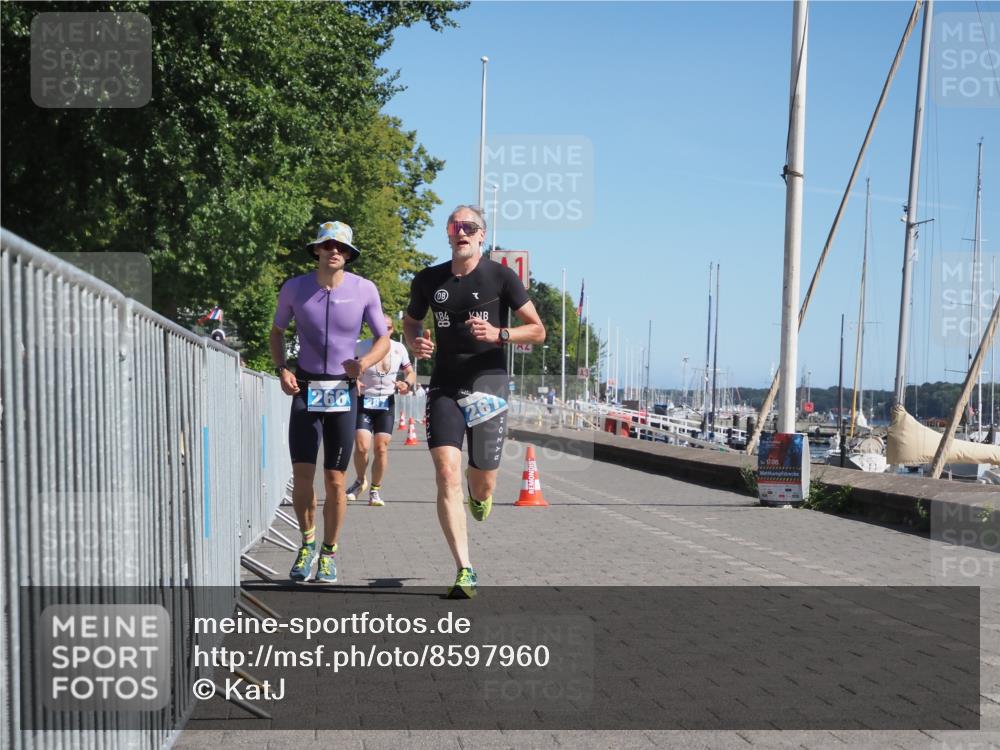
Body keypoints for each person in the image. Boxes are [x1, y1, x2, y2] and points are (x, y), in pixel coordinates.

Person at [404, 205, 545, 598]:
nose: (461, 232)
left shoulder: (502, 277)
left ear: (482, 235)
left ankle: (479, 492)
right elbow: (410, 321)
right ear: (448, 235)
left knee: (482, 483)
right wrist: (415, 340)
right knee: (446, 472)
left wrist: (500, 334)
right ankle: (464, 568)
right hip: (445, 385)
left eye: (469, 227)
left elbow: (538, 331)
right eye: (454, 226)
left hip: (488, 385)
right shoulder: (430, 279)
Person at [269, 221, 389, 583]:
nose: (334, 251)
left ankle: (329, 552)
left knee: (336, 480)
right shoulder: (295, 288)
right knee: (302, 475)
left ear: (349, 255)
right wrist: (281, 369)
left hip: (341, 389)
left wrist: (364, 363)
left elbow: (382, 337)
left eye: (341, 247)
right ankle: (306, 544)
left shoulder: (364, 289)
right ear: (317, 250)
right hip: (305, 387)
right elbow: (277, 332)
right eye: (328, 245)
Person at [346, 314, 418, 507]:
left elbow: (411, 372)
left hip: (386, 402)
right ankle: (360, 481)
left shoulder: (398, 348)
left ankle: (375, 490)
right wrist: (355, 380)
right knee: (361, 447)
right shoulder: (360, 346)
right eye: (380, 327)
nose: (383, 331)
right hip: (364, 401)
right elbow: (345, 369)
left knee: (381, 448)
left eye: (387, 328)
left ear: (392, 330)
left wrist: (406, 383)